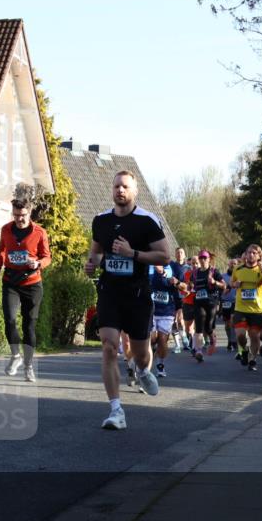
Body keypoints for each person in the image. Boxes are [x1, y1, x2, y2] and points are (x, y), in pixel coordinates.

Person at [84, 170, 170, 430]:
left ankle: (143, 371)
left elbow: (164, 256)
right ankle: (116, 410)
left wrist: (132, 253)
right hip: (110, 292)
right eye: (117, 187)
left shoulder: (146, 221)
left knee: (142, 354)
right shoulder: (101, 221)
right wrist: (91, 265)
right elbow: (96, 254)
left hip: (138, 296)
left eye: (125, 187)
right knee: (109, 347)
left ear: (134, 192)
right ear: (111, 190)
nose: (120, 190)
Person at [0, 197, 51, 382]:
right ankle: (15, 356)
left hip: (32, 283)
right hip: (10, 281)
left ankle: (28, 366)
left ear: (30, 212)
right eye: (16, 215)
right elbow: (2, 250)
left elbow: (47, 257)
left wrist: (38, 263)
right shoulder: (6, 229)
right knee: (9, 319)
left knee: (29, 325)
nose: (19, 219)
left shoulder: (40, 232)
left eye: (23, 215)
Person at [230, 244, 262, 372]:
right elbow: (231, 283)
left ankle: (252, 359)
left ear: (258, 255)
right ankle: (244, 351)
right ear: (246, 254)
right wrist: (235, 284)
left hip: (257, 310)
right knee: (240, 335)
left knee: (254, 336)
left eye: (254, 253)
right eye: (249, 252)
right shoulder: (238, 268)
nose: (251, 255)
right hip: (241, 308)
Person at [183, 250, 225, 362]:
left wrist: (215, 282)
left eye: (204, 258)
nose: (202, 260)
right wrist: (188, 288)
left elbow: (224, 285)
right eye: (201, 258)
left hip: (211, 302)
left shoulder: (214, 271)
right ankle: (198, 351)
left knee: (209, 327)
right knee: (199, 325)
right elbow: (190, 286)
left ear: (209, 259)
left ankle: (212, 338)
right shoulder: (195, 273)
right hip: (198, 302)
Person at [149, 264, 178, 377]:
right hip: (151, 310)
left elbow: (180, 285)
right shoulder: (148, 266)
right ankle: (148, 359)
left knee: (162, 340)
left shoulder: (171, 267)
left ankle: (160, 365)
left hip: (167, 310)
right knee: (151, 339)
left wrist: (175, 282)